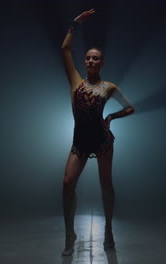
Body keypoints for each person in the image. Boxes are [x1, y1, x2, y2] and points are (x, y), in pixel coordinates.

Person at [60, 9, 135, 256]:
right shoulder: (76, 82)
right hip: (80, 142)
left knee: (106, 186)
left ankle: (109, 230)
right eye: (88, 58)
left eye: (96, 58)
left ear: (102, 62)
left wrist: (111, 116)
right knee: (68, 183)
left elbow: (130, 107)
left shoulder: (109, 87)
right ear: (85, 61)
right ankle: (70, 234)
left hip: (102, 142)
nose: (91, 61)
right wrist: (74, 24)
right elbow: (65, 50)